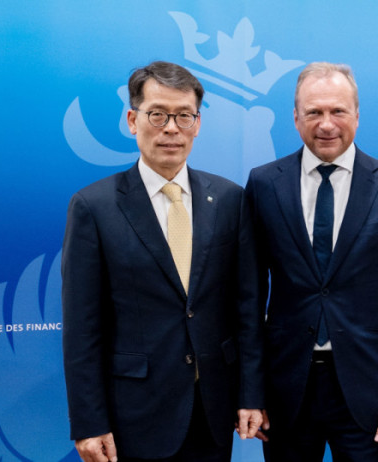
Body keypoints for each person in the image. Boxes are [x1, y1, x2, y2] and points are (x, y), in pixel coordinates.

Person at [62, 61, 264, 462]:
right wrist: (88, 421)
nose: (171, 128)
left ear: (197, 124)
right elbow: (82, 328)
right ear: (132, 120)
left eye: (184, 116)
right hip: (134, 413)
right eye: (158, 114)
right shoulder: (94, 207)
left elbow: (247, 308)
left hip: (213, 409)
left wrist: (251, 394)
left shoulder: (230, 200)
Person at [245, 62, 378, 461]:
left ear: (357, 115)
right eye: (314, 112)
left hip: (371, 393)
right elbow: (249, 295)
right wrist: (250, 390)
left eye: (338, 111)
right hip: (285, 391)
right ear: (296, 118)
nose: (326, 124)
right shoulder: (263, 184)